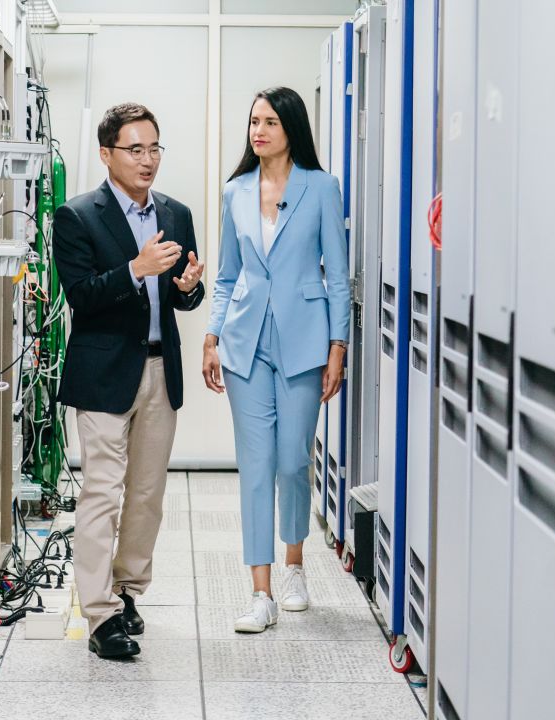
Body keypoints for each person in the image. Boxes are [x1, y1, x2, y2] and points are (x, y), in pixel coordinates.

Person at [53, 102, 206, 658]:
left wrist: (187, 285)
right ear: (106, 154)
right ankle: (97, 615)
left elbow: (184, 298)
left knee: (146, 495)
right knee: (101, 492)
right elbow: (82, 298)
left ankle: (126, 591)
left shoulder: (176, 213)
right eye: (135, 149)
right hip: (103, 373)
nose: (148, 160)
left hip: (161, 369)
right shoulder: (77, 216)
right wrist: (135, 270)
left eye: (155, 148)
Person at [202, 86, 350, 633]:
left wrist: (339, 346)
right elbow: (225, 275)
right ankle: (260, 591)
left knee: (292, 461)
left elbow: (337, 274)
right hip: (245, 342)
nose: (257, 130)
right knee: (256, 466)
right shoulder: (236, 192)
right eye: (253, 121)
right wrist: (212, 335)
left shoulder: (321, 188)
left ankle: (295, 566)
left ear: (291, 128)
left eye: (268, 121)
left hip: (307, 341)